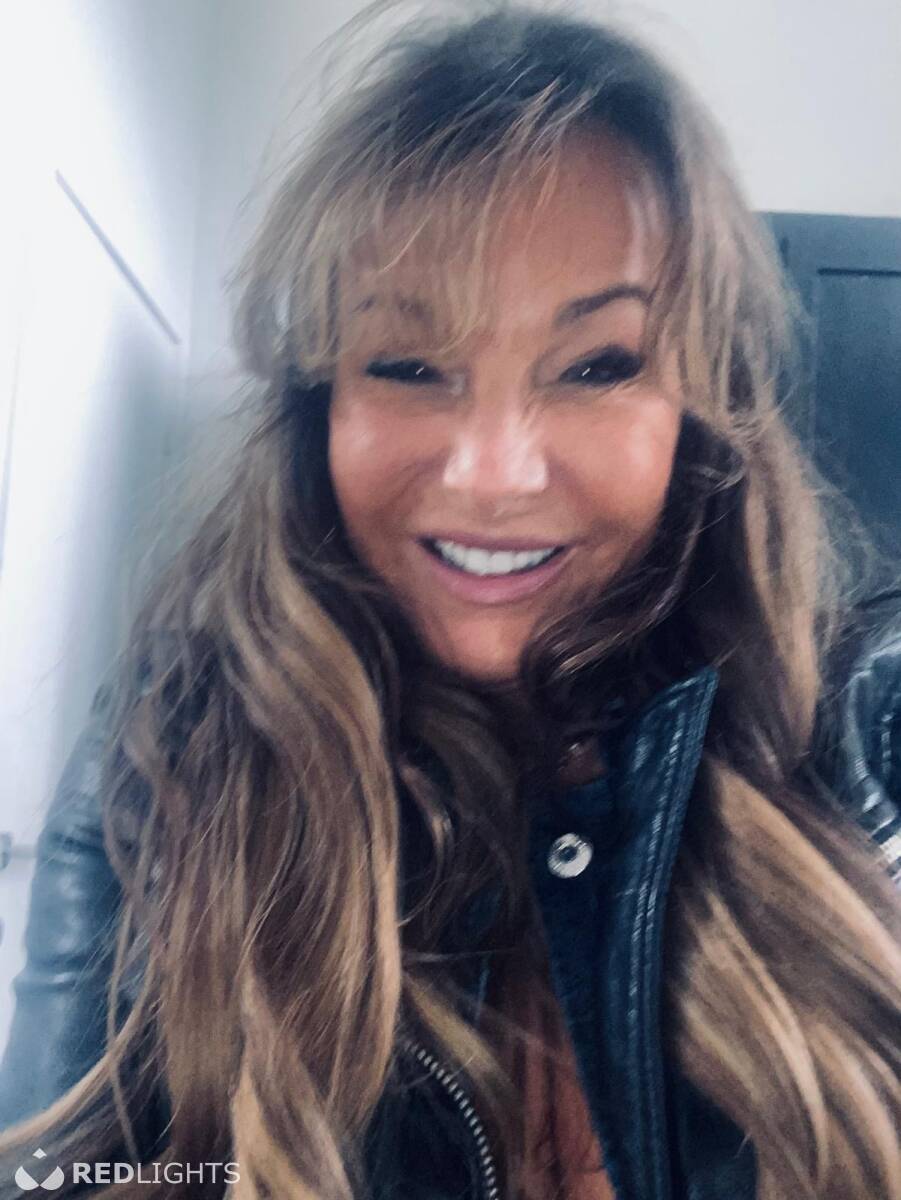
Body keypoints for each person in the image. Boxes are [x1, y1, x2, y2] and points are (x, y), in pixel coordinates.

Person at [1, 3, 900, 1198]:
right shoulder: (172, 758)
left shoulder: (862, 730)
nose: (494, 474)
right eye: (409, 365)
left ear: (698, 408)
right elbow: (64, 1171)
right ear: (319, 402)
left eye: (596, 366)